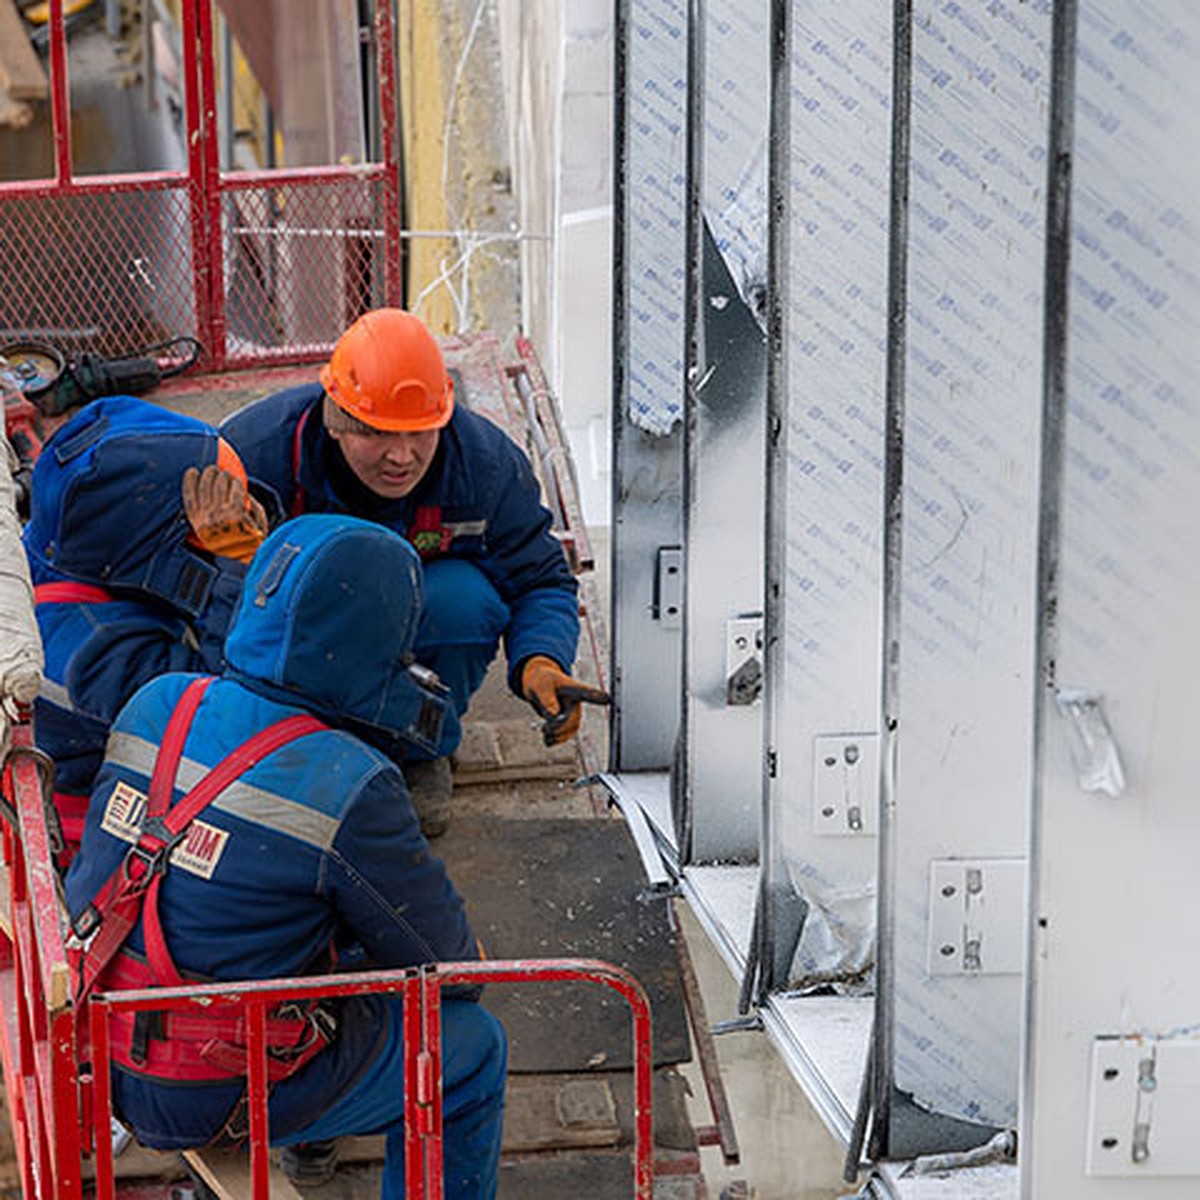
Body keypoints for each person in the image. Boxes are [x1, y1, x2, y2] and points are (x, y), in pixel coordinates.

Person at [65, 514, 507, 1199]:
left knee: (284, 923)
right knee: (471, 1048)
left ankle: (311, 1143)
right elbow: (444, 969)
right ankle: (315, 1134)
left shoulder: (159, 702)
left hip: (96, 1053)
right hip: (209, 1092)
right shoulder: (347, 780)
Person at [220, 308, 609, 834]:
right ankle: (292, 740)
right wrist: (231, 561)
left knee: (465, 601)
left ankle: (419, 749)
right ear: (338, 422)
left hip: (417, 618)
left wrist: (540, 659)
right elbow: (188, 588)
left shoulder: (486, 468)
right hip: (303, 636)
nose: (401, 457)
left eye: (419, 432)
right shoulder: (256, 455)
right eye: (378, 433)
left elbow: (540, 580)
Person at [22, 395, 266, 854]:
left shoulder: (64, 550)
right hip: (96, 846)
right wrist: (239, 571)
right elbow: (229, 717)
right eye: (198, 535)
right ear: (143, 542)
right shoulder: (92, 651)